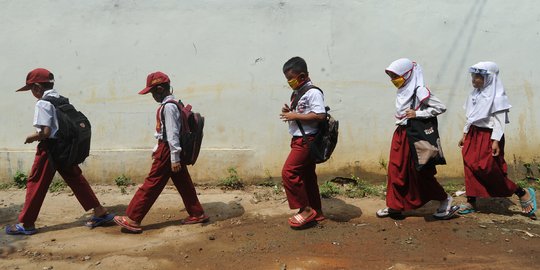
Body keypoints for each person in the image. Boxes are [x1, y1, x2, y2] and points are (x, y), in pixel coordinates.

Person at [5, 68, 114, 235]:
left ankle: (26, 224)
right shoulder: (60, 99)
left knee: (36, 182)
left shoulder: (42, 103)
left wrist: (32, 137)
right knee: (76, 178)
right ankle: (100, 212)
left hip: (49, 149)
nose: (32, 93)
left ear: (37, 87)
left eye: (31, 90)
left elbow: (46, 132)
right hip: (65, 148)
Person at [114, 71, 208, 233]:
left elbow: (172, 134)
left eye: (151, 92)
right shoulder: (174, 105)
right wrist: (160, 150)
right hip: (166, 149)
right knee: (183, 182)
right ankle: (197, 213)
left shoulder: (169, 108)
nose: (151, 96)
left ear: (159, 89)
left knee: (152, 183)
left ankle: (133, 218)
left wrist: (174, 157)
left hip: (168, 150)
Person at [377, 58, 459, 219]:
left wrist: (418, 113)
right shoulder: (403, 90)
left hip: (414, 135)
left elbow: (440, 107)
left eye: (396, 76)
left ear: (407, 74)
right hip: (401, 133)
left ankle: (445, 200)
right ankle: (395, 205)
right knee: (395, 171)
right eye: (391, 76)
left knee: (418, 173)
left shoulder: (419, 90)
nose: (393, 80)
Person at [458, 61, 537, 218]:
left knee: (487, 168)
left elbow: (499, 121)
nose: (474, 79)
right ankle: (471, 201)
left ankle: (522, 192)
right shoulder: (474, 94)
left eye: (479, 76)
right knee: (469, 166)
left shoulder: (498, 97)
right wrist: (465, 133)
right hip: (473, 133)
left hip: (488, 136)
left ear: (489, 78)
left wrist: (495, 140)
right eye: (473, 76)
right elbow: (471, 117)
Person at [279, 57, 326, 229]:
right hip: (299, 138)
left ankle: (305, 211)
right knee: (307, 176)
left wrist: (294, 116)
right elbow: (305, 112)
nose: (289, 82)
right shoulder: (299, 91)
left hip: (307, 141)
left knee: (289, 172)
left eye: (291, 79)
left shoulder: (313, 92)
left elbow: (320, 115)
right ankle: (317, 211)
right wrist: (290, 112)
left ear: (303, 75)